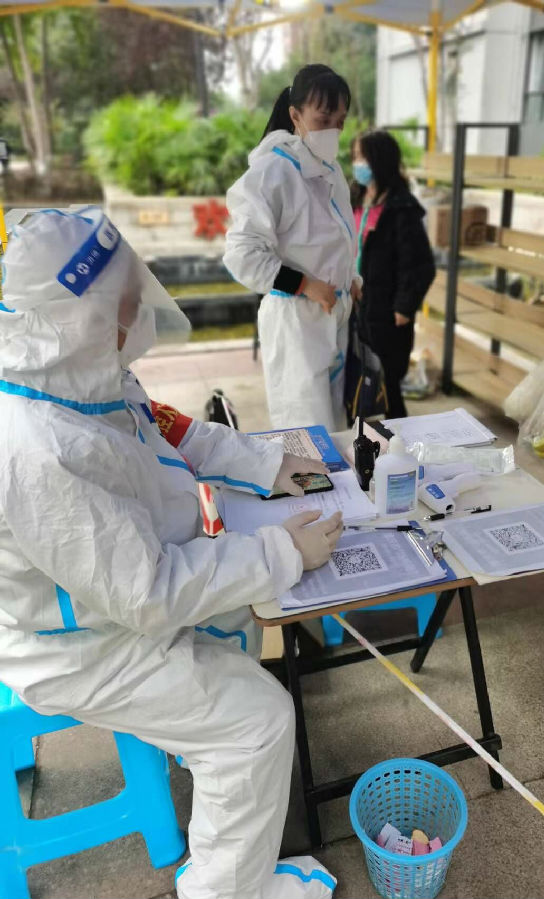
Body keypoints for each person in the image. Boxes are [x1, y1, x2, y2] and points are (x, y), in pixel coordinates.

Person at [0, 207, 343, 899]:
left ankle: (210, 778)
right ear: (78, 319)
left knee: (238, 621)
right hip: (80, 648)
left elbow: (176, 434)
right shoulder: (34, 449)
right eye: (123, 305)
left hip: (118, 602)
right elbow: (149, 594)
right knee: (257, 722)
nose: (135, 314)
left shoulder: (81, 372)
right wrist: (282, 552)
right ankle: (227, 888)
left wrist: (273, 464)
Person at [224, 64, 361, 433]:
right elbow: (242, 254)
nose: (333, 130)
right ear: (296, 115)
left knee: (335, 426)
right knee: (306, 431)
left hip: (332, 316)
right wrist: (304, 284)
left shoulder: (330, 170)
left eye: (340, 121)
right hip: (296, 323)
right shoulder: (272, 172)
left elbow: (334, 238)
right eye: (323, 118)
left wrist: (350, 277)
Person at [350, 129, 435, 418]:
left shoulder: (401, 207)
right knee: (358, 380)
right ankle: (361, 437)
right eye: (355, 157)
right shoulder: (355, 197)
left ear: (380, 160)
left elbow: (419, 265)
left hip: (386, 311)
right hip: (356, 304)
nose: (357, 164)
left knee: (388, 386)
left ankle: (399, 438)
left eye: (362, 157)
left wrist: (404, 306)